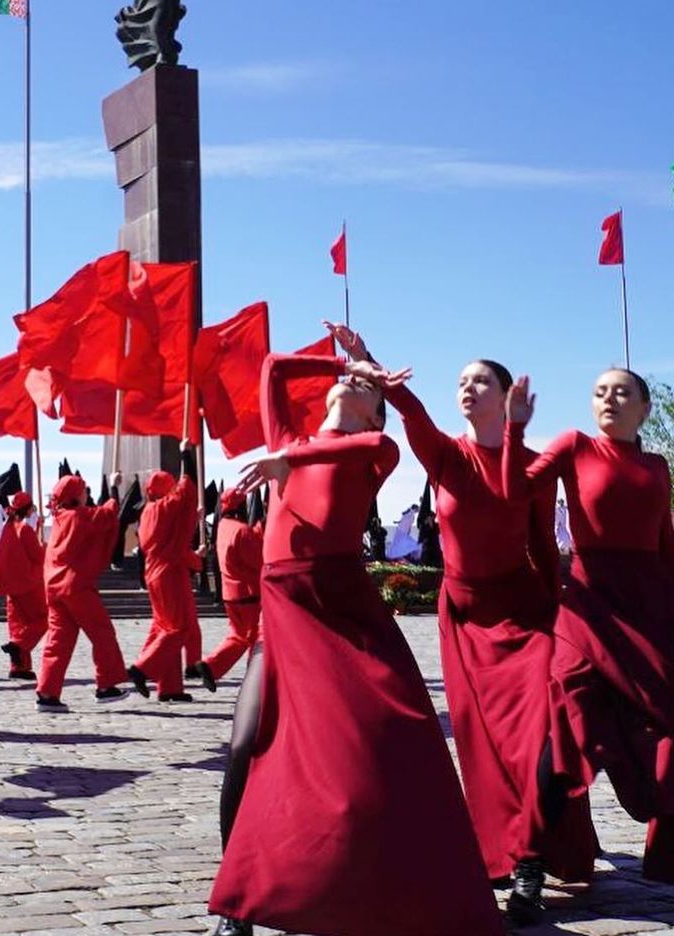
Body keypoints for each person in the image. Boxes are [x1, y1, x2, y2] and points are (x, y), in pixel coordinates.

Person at [208, 352, 503, 936]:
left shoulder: (374, 452)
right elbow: (270, 368)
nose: (351, 386)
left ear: (375, 416)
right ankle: (240, 900)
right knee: (245, 748)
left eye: (365, 389)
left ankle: (406, 880)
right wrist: (342, 358)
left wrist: (286, 458)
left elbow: (358, 450)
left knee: (385, 741)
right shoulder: (287, 438)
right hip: (282, 620)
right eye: (346, 383)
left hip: (342, 614)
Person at [326, 323, 595, 923]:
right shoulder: (444, 454)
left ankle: (530, 860)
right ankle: (504, 854)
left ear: (507, 395)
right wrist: (366, 359)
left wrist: (558, 618)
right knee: (483, 748)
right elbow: (409, 408)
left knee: (537, 740)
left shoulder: (533, 462)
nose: (468, 389)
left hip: (524, 615)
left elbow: (544, 551)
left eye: (481, 380)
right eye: (462, 381)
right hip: (464, 618)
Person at [505, 369, 674, 885]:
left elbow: (665, 544)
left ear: (645, 408)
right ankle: (530, 861)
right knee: (568, 732)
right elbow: (515, 490)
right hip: (586, 612)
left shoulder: (657, 466)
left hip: (648, 612)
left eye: (622, 392)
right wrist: (513, 430)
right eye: (600, 392)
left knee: (668, 731)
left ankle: (667, 854)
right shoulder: (574, 445)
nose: (609, 400)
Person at [36, 473, 129, 712]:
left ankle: (47, 693)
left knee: (58, 641)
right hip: (75, 586)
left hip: (54, 587)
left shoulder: (59, 517)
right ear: (76, 495)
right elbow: (108, 515)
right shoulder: (78, 516)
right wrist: (114, 489)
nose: (86, 494)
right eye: (84, 490)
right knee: (102, 632)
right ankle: (106, 685)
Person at [129, 444, 199, 702]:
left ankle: (170, 688)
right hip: (169, 573)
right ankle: (143, 668)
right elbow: (188, 489)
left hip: (155, 573)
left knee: (164, 627)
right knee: (178, 629)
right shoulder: (167, 506)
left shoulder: (148, 511)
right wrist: (184, 455)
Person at [194, 488, 262, 691]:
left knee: (238, 635)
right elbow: (257, 560)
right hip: (248, 592)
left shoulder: (223, 526)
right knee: (256, 638)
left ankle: (211, 666)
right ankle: (255, 681)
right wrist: (258, 533)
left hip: (230, 593)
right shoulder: (242, 530)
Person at [0, 490, 47, 681]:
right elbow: (38, 557)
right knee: (41, 620)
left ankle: (19, 667)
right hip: (27, 584)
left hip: (11, 586)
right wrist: (45, 547)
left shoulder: (8, 528)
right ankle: (19, 645)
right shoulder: (24, 529)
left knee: (18, 624)